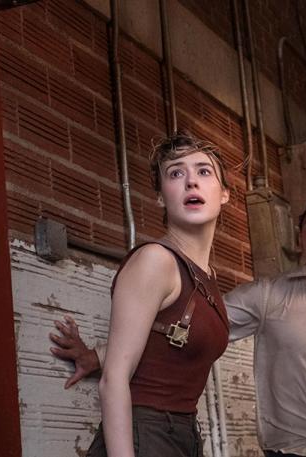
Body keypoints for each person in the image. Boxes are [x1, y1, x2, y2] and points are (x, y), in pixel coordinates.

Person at [51, 190, 306, 457]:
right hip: (291, 452)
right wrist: (98, 356)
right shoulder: (268, 296)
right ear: (300, 239)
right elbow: (189, 328)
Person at [81, 132, 231, 457]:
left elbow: (153, 344)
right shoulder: (155, 260)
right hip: (145, 434)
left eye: (204, 171)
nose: (191, 181)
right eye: (176, 173)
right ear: (161, 197)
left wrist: (94, 354)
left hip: (182, 433)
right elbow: (113, 380)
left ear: (224, 194)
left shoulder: (205, 276)